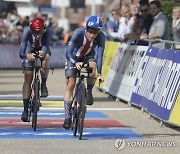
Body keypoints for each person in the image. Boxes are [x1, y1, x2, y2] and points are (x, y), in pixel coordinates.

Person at [63, 15, 105, 129]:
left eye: (95, 32)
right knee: (70, 84)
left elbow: (100, 57)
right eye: (90, 31)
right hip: (73, 57)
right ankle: (67, 117)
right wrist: (75, 63)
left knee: (93, 68)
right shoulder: (78, 33)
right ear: (86, 29)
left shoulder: (101, 37)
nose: (92, 35)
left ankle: (89, 90)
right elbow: (68, 53)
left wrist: (99, 74)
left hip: (87, 56)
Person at [19, 17, 52, 122]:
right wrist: (27, 56)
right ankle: (25, 109)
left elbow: (46, 45)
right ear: (31, 30)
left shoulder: (48, 32)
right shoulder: (26, 31)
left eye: (40, 32)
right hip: (29, 48)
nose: (38, 35)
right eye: (35, 33)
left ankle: (43, 84)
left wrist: (43, 52)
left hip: (42, 47)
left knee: (46, 58)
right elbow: (21, 53)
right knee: (28, 76)